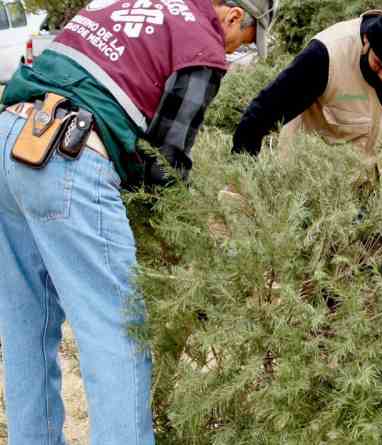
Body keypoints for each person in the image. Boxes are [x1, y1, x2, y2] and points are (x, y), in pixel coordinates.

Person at [0, 0, 272, 443]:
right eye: (245, 40)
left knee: (27, 325)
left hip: (10, 139)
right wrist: (180, 237)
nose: (237, 50)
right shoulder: (202, 44)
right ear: (234, 15)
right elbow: (164, 161)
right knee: (118, 335)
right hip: (68, 155)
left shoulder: (133, 5)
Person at [232, 6, 382, 203]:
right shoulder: (326, 56)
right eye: (379, 65)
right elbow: (258, 118)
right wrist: (241, 186)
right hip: (305, 193)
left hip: (369, 194)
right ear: (367, 40)